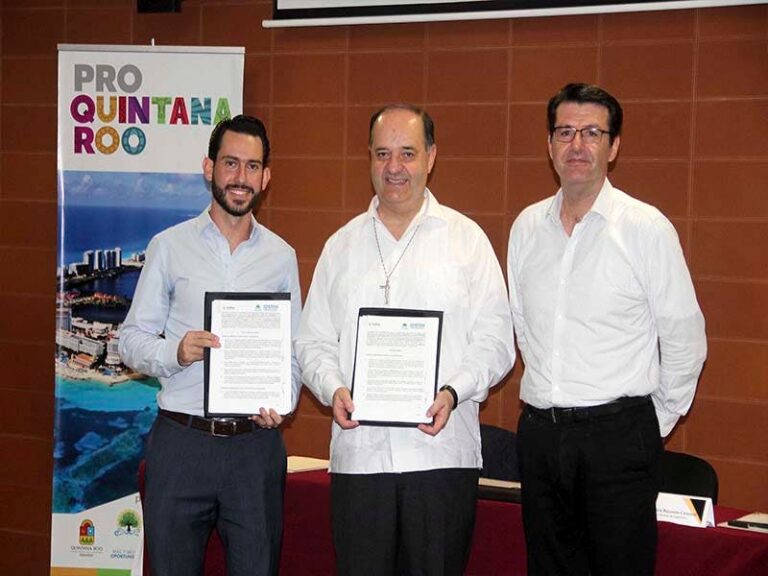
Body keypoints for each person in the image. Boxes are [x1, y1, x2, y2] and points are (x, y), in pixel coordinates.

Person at [296, 104, 515, 576]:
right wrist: (333, 387)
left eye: (408, 153)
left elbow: (497, 340)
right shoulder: (341, 246)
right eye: (383, 153)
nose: (394, 167)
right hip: (360, 459)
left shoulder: (466, 240)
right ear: (369, 158)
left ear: (431, 157)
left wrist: (453, 392)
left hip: (440, 457)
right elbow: (312, 341)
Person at [507, 83, 707, 576]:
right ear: (549, 144)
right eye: (565, 132)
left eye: (592, 133)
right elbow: (524, 327)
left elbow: (684, 338)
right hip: (540, 436)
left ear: (613, 147)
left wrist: (650, 424)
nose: (577, 145)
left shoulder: (645, 228)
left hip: (618, 439)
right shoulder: (527, 227)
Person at [118, 114, 302, 576]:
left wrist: (282, 401)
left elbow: (292, 349)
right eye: (231, 163)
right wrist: (175, 352)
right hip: (182, 444)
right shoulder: (168, 246)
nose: (241, 177)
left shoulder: (281, 257)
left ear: (266, 177)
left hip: (255, 448)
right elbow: (130, 341)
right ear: (209, 168)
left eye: (253, 166)